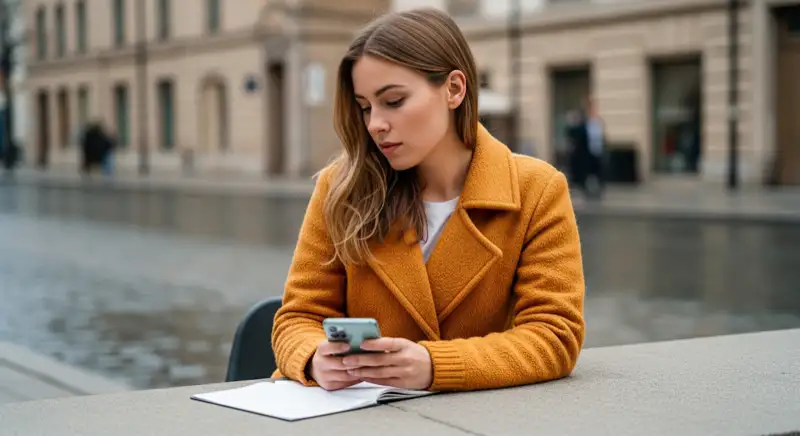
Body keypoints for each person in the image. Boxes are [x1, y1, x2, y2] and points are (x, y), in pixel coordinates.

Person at [271, 8, 585, 393]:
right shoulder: (342, 188)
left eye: (394, 101)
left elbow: (555, 336)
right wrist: (313, 357)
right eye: (366, 106)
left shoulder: (536, 190)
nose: (375, 124)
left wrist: (436, 366)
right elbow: (297, 318)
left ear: (454, 89)